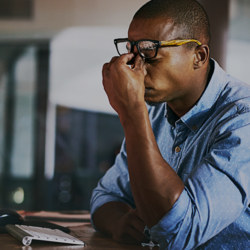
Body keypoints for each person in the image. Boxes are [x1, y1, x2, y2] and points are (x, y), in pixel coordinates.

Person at [90, 0, 250, 249]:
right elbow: (105, 196)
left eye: (150, 52)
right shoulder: (154, 113)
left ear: (199, 56)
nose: (136, 69)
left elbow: (178, 233)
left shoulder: (243, 119)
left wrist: (132, 113)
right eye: (132, 52)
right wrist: (119, 223)